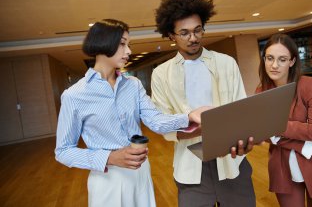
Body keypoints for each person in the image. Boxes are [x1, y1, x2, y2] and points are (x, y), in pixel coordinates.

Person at [55, 19, 209, 207]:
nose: (128, 51)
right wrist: (110, 158)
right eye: (122, 44)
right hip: (107, 180)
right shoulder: (74, 95)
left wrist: (189, 116)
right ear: (102, 43)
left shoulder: (133, 85)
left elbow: (155, 121)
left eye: (128, 44)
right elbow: (63, 151)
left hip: (140, 173)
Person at [151, 0, 256, 207]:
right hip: (190, 166)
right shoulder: (161, 74)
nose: (193, 38)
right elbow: (162, 121)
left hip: (232, 160)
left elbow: (241, 109)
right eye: (185, 33)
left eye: (198, 30)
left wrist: (245, 139)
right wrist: (192, 128)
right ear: (171, 35)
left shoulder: (226, 63)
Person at [256, 33, 312, 207]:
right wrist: (308, 136)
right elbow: (262, 134)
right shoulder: (261, 91)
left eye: (282, 59)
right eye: (270, 58)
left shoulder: (309, 84)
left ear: (292, 61)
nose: (274, 65)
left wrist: (275, 127)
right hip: (282, 167)